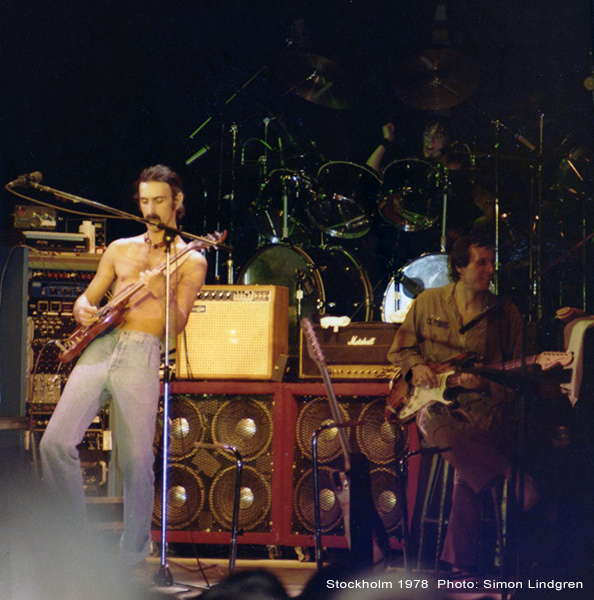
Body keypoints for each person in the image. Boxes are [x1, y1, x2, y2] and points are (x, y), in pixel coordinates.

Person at [39, 164, 208, 568]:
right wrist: (83, 310)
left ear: (177, 202)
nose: (150, 209)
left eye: (159, 201)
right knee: (54, 443)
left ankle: (132, 555)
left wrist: (161, 294)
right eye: (145, 200)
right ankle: (73, 542)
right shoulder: (119, 248)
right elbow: (88, 297)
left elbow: (178, 324)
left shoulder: (191, 260)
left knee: (135, 460)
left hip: (143, 351)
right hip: (101, 346)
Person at [387, 234, 536, 573]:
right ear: (459, 267)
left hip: (482, 405)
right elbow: (400, 350)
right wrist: (418, 366)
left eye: (491, 261)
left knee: (464, 459)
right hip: (432, 405)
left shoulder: (505, 313)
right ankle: (511, 477)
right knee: (448, 434)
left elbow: (517, 377)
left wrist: (484, 382)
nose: (490, 269)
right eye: (481, 262)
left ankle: (460, 566)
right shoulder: (428, 302)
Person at [367, 118, 494, 251]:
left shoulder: (464, 174)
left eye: (438, 135)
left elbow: (491, 212)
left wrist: (464, 231)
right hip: (412, 247)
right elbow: (369, 173)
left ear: (452, 142)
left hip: (451, 252)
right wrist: (386, 140)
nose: (430, 140)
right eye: (427, 134)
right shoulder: (416, 167)